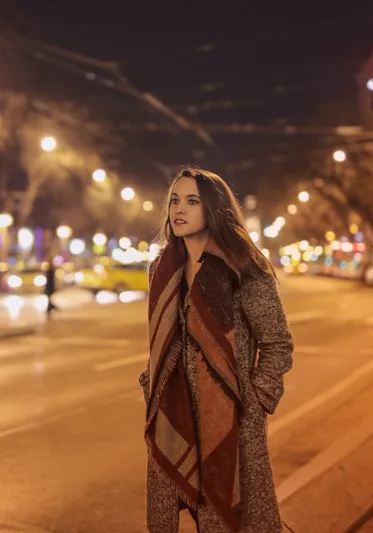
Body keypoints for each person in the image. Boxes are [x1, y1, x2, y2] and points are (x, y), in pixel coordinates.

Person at [140, 167, 294, 532]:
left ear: (214, 208)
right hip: (173, 411)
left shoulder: (243, 266)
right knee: (168, 514)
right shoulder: (162, 269)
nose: (179, 209)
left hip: (229, 416)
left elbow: (277, 343)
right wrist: (151, 383)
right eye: (175, 201)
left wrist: (254, 403)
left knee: (228, 520)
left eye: (192, 201)